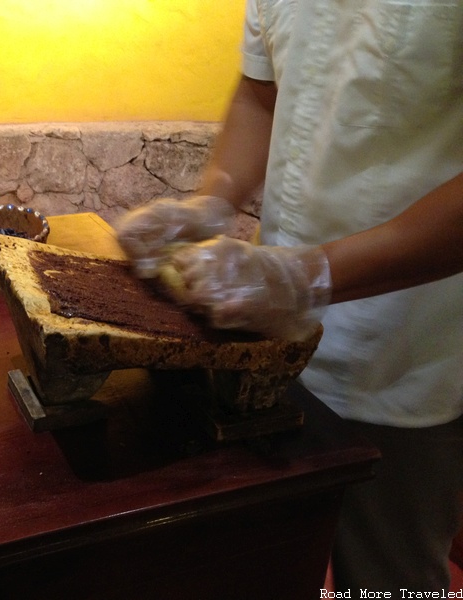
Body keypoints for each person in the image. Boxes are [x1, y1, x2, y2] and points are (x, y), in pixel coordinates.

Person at [116, 0, 463, 595]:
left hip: (402, 349)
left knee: (388, 580)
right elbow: (261, 94)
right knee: (267, 555)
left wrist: (308, 277)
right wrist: (214, 199)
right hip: (266, 335)